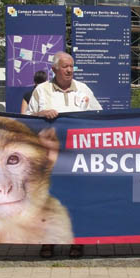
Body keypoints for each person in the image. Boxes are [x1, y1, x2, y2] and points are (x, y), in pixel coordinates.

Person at [25, 51, 102, 258]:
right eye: (65, 66)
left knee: (77, 201)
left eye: (72, 66)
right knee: (49, 200)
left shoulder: (84, 90)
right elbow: (24, 121)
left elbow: (99, 117)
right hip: (50, 160)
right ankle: (48, 242)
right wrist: (39, 115)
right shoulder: (41, 91)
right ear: (54, 69)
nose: (69, 70)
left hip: (78, 159)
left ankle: (77, 242)